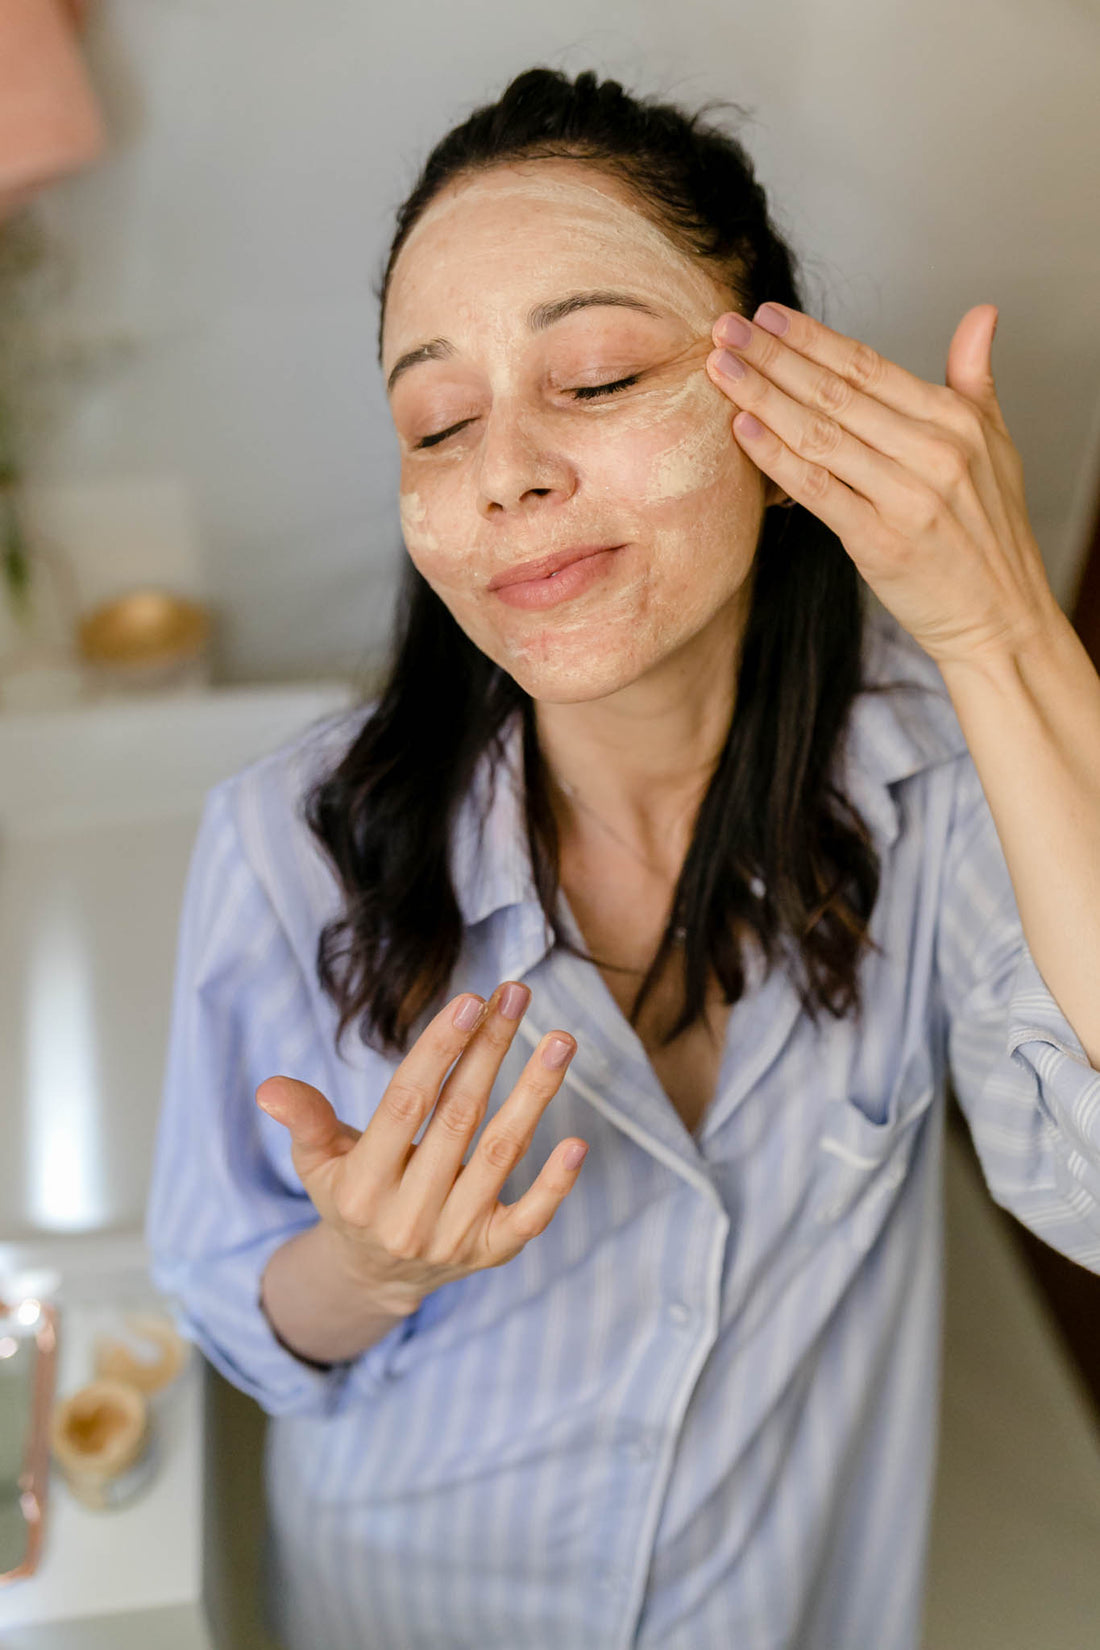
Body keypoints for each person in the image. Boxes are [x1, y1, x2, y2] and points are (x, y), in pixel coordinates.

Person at [145, 66, 1100, 1650]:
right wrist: (367, 1266)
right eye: (438, 421)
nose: (503, 467)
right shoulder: (284, 841)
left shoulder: (942, 772)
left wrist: (1008, 633)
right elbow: (230, 1304)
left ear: (781, 403)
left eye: (592, 376)